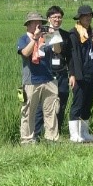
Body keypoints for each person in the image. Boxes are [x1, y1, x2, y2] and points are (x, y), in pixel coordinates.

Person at [17, 11, 59, 145]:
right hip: (31, 81)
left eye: (40, 23)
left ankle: (51, 138)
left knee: (51, 110)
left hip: (48, 79)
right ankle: (27, 140)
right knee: (28, 112)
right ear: (28, 25)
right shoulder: (24, 38)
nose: (39, 25)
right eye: (36, 23)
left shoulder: (46, 38)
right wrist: (34, 39)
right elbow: (25, 53)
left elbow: (57, 50)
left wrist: (55, 34)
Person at [66, 4, 93, 143]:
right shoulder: (74, 34)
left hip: (92, 72)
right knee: (78, 103)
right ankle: (74, 135)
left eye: (90, 15)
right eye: (85, 16)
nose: (88, 18)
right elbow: (72, 56)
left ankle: (84, 133)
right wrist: (72, 74)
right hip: (80, 74)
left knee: (88, 103)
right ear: (79, 17)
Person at [34, 6, 71, 137]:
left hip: (61, 73)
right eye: (54, 17)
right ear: (48, 18)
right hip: (45, 73)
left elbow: (68, 56)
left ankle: (57, 133)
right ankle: (37, 135)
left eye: (59, 17)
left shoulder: (66, 35)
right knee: (40, 105)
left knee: (60, 103)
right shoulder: (41, 34)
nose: (57, 19)